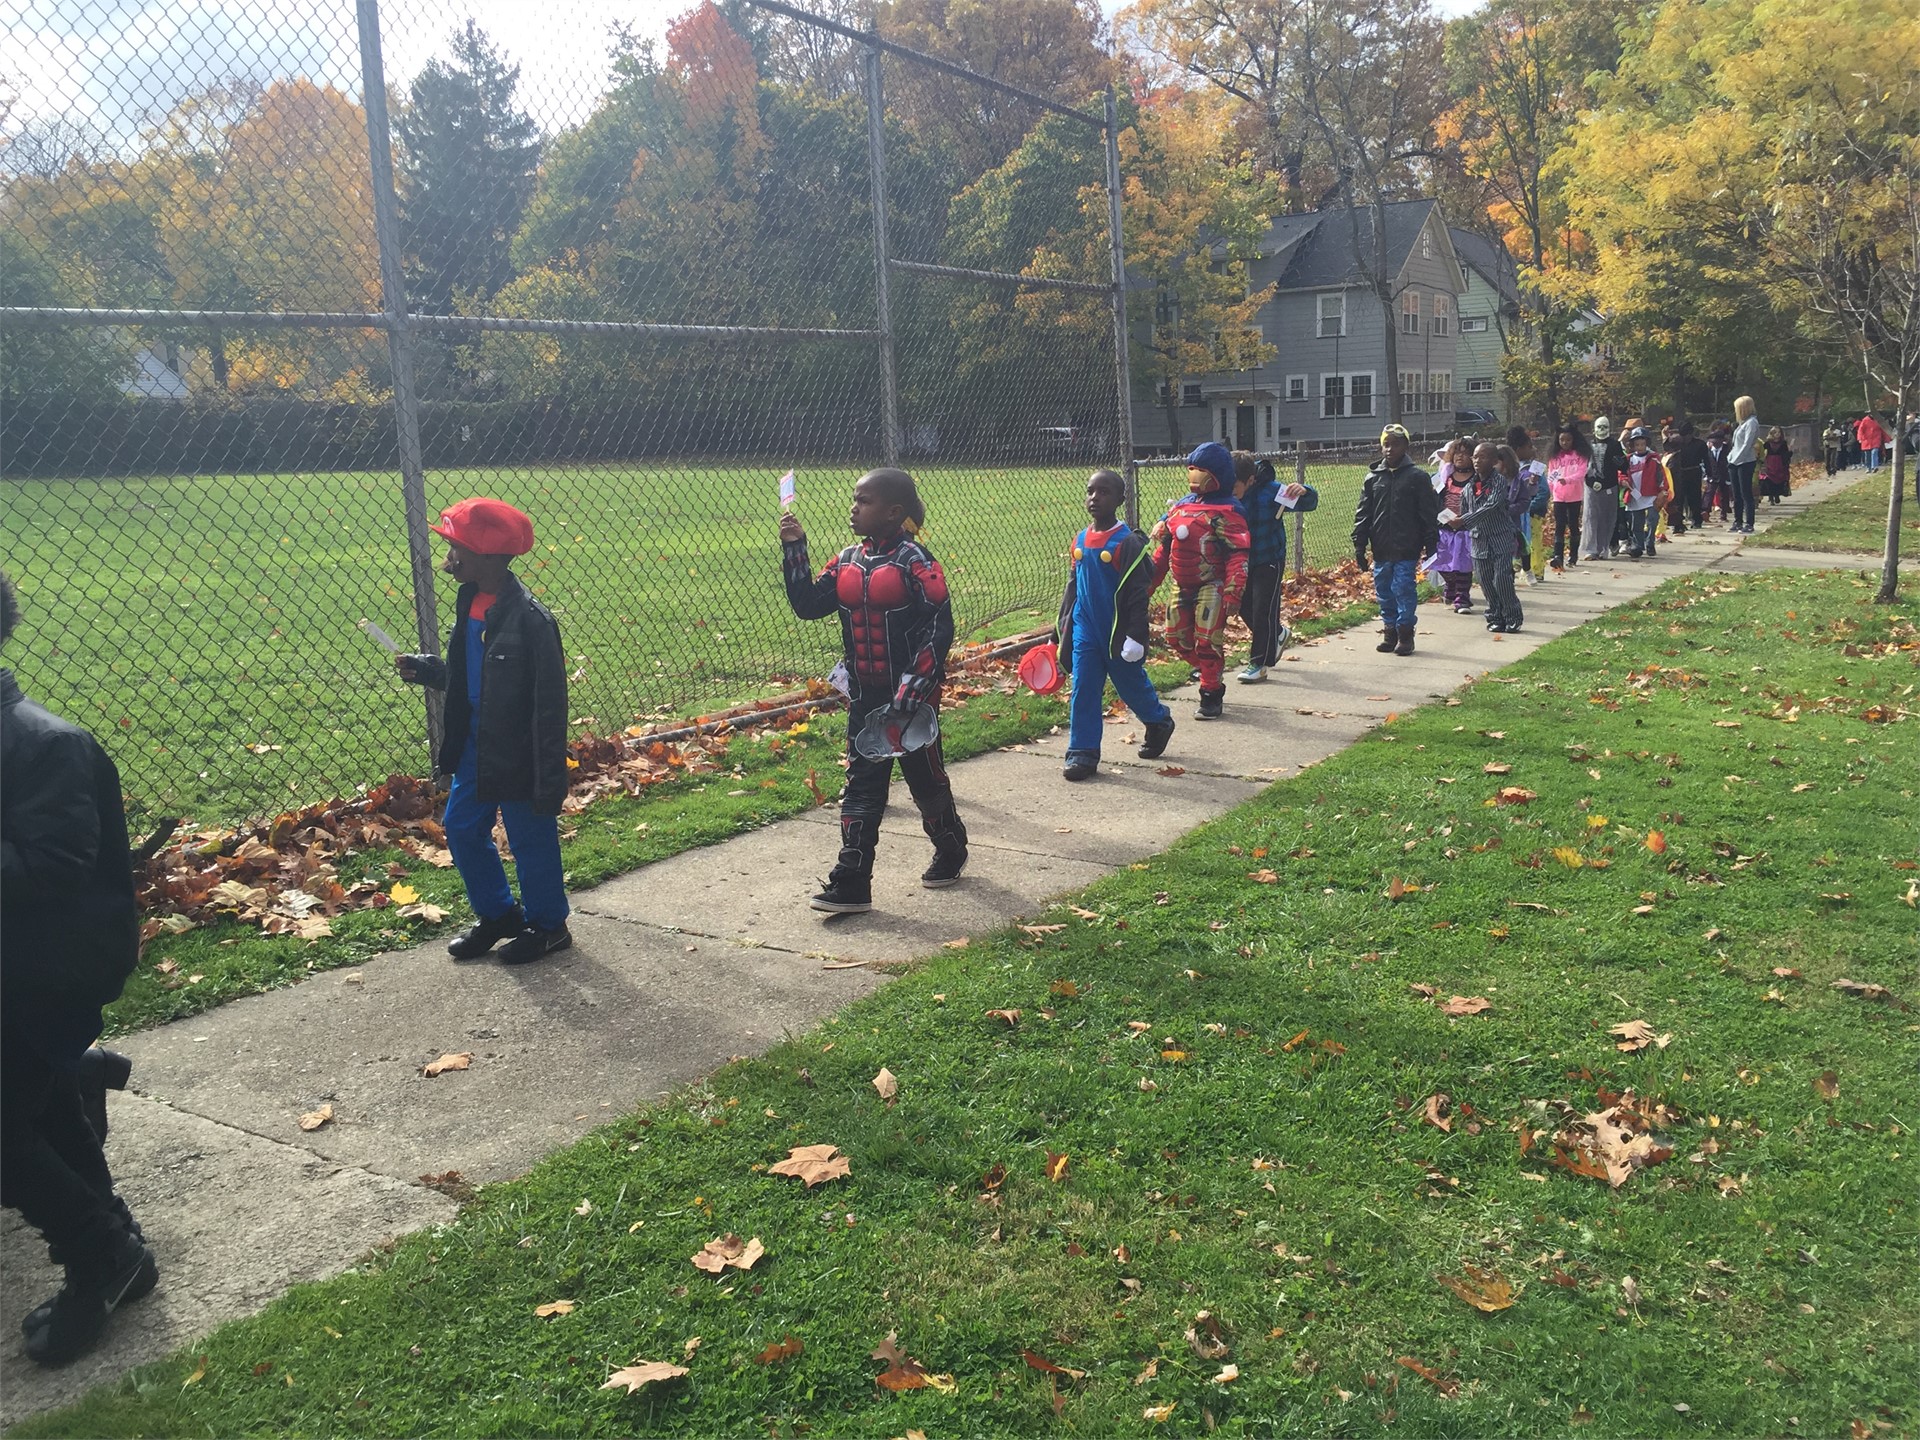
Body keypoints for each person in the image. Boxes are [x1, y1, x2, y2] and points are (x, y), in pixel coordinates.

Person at [1, 570, 158, 1367]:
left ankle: (98, 1252)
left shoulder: (44, 744)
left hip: (45, 968)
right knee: (45, 1108)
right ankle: (120, 1245)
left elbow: (54, 866)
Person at [780, 469, 967, 914]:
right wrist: (795, 549)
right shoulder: (845, 560)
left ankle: (951, 846)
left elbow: (939, 626)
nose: (854, 507)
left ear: (893, 512)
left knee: (924, 778)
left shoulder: (916, 561)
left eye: (864, 501)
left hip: (912, 699)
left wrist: (914, 688)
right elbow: (807, 604)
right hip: (866, 696)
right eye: (854, 499)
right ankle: (852, 880)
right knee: (862, 784)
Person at [396, 498, 572, 963]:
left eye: (456, 551)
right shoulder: (471, 601)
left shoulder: (533, 621)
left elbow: (550, 707)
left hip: (519, 750)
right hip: (476, 743)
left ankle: (549, 925)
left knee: (528, 835)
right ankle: (500, 915)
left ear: (490, 557)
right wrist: (433, 671)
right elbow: (472, 672)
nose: (447, 561)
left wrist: (549, 774)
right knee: (460, 827)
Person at [1056, 469, 1175, 780]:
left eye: (1104, 492)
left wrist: (1136, 636)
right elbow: (1074, 587)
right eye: (1091, 491)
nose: (1095, 498)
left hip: (1118, 634)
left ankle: (1158, 720)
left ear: (1120, 499)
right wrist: (1063, 627)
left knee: (1130, 686)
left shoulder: (1128, 543)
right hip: (1086, 631)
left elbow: (1138, 595)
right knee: (1083, 688)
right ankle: (1082, 753)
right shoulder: (1080, 540)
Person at [1148, 442, 1251, 719]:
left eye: (1201, 470)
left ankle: (1211, 694)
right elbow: (1164, 549)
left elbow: (1238, 554)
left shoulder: (1229, 510)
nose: (1195, 475)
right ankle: (1210, 670)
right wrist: (1149, 583)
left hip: (1212, 584)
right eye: (1192, 469)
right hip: (1181, 583)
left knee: (1207, 641)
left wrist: (1233, 592)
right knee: (1175, 637)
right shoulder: (1182, 507)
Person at [1352, 424, 1439, 657]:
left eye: (1396, 444)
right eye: (1386, 444)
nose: (1390, 449)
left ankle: (1405, 632)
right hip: (1381, 546)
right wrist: (1360, 545)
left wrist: (1431, 544)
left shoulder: (1417, 477)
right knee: (1383, 590)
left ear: (1406, 446)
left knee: (1403, 588)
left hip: (1407, 546)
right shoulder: (1373, 478)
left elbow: (1428, 514)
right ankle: (1389, 630)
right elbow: (1364, 513)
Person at [1232, 451, 1317, 681]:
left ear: (1250, 480)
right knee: (1243, 607)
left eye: (1235, 488)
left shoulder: (1271, 492)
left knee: (1263, 611)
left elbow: (1309, 503)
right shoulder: (1226, 492)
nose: (1232, 494)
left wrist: (1305, 490)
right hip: (1242, 561)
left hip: (1269, 558)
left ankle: (1258, 663)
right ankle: (1277, 634)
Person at [1447, 441, 1525, 634]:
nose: (1476, 461)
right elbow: (1464, 513)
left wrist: (1464, 519)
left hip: (1500, 538)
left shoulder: (1498, 481)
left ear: (1493, 461)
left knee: (1502, 579)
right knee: (1485, 580)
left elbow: (1491, 506)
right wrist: (1456, 522)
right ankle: (1495, 616)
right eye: (1475, 457)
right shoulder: (1468, 488)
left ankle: (1512, 616)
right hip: (1478, 541)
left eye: (1482, 457)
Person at [1508, 424, 1550, 583]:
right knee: (1516, 542)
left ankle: (1537, 570)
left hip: (1532, 513)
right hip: (1516, 514)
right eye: (1529, 447)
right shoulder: (1511, 468)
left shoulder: (1535, 467)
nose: (1533, 450)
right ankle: (1515, 567)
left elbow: (1544, 491)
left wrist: (1532, 507)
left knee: (1534, 542)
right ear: (1518, 449)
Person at [1546, 423, 1590, 570]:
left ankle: (1573, 555)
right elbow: (1551, 475)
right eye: (1562, 440)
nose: (1564, 443)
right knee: (1559, 526)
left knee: (1573, 526)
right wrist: (1551, 491)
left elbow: (1582, 472)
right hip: (1559, 496)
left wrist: (1568, 479)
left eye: (1568, 440)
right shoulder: (1555, 457)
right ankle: (1557, 555)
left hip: (1575, 496)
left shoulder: (1579, 455)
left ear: (1573, 440)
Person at [1620, 426, 1666, 557]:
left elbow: (1660, 476)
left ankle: (1650, 542)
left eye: (1642, 444)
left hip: (1651, 494)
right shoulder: (1628, 459)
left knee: (1652, 518)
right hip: (1635, 495)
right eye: (1637, 444)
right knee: (1636, 523)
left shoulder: (1654, 458)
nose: (1640, 447)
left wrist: (1662, 490)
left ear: (1647, 444)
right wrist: (1622, 480)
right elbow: (1621, 473)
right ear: (1632, 445)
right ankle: (1638, 545)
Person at [1582, 416, 1623, 560]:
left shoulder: (1615, 445)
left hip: (1609, 487)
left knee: (1607, 517)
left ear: (1609, 429)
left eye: (1605, 427)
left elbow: (1624, 466)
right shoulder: (1588, 446)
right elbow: (1584, 467)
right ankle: (1591, 548)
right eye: (1599, 427)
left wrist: (1620, 462)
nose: (1602, 430)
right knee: (1591, 517)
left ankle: (1604, 547)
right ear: (1594, 429)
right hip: (1591, 487)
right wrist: (1591, 481)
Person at [1668, 420, 1711, 530]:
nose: (1686, 438)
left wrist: (1709, 475)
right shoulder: (1677, 444)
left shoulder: (1700, 444)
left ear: (1692, 434)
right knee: (1678, 499)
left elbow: (1706, 460)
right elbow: (1667, 451)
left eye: (1687, 435)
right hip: (1679, 473)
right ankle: (1678, 522)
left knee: (1695, 498)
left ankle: (1696, 519)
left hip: (1694, 472)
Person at [1728, 395, 1760, 532]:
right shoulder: (1742, 423)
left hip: (1745, 461)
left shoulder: (1752, 422)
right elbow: (1736, 444)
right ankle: (1738, 521)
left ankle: (1749, 523)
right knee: (1736, 494)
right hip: (1734, 461)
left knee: (1745, 493)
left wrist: (1737, 458)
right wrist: (1730, 457)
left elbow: (1747, 444)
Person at [1705, 421, 1734, 520]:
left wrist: (1729, 477)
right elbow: (1706, 463)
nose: (1715, 443)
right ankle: (1705, 512)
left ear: (1722, 441)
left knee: (1725, 495)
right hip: (1712, 475)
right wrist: (1707, 475)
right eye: (1713, 441)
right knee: (1709, 493)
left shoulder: (1727, 449)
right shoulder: (1708, 451)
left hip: (1724, 475)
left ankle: (1724, 513)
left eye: (1718, 441)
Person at [1760, 427, 1794, 504]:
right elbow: (1762, 451)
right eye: (1775, 432)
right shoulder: (1768, 443)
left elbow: (1785, 454)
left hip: (1779, 463)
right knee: (1769, 480)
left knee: (1779, 480)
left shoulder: (1783, 443)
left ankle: (1777, 495)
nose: (1777, 434)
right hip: (1770, 463)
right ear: (1772, 433)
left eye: (1779, 433)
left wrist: (1790, 451)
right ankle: (1771, 497)